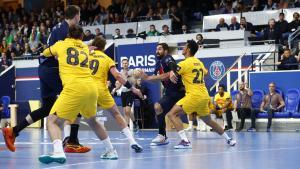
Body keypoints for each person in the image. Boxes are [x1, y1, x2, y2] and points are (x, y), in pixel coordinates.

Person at [2, 5, 89, 153]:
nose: (79, 19)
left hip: (44, 69)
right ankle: (72, 141)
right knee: (77, 99)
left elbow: (50, 52)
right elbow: (60, 55)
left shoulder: (58, 27)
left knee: (47, 108)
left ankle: (13, 131)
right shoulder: (66, 31)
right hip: (52, 70)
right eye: (79, 16)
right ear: (76, 16)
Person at [38, 25, 118, 164]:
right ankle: (111, 151)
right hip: (91, 88)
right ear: (82, 37)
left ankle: (58, 152)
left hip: (73, 88)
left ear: (68, 34)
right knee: (93, 121)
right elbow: (85, 48)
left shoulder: (61, 44)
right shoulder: (86, 48)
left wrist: (52, 54)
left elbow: (44, 53)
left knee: (52, 121)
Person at [166, 40, 236, 149]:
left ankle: (185, 141)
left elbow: (174, 69)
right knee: (208, 120)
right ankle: (229, 139)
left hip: (194, 95)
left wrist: (170, 65)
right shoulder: (199, 62)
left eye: (184, 47)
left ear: (188, 49)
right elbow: (206, 73)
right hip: (204, 95)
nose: (183, 48)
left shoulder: (184, 63)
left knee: (172, 114)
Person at [88, 36, 143, 153]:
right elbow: (118, 76)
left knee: (88, 119)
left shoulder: (85, 55)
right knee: (117, 114)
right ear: (103, 47)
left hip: (86, 89)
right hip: (101, 90)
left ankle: (67, 140)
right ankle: (132, 141)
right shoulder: (107, 58)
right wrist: (132, 88)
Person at [138, 43, 185, 146]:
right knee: (158, 107)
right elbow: (155, 78)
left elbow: (172, 67)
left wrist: (172, 70)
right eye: (156, 49)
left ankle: (184, 140)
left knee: (203, 116)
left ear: (166, 51)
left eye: (159, 49)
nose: (157, 51)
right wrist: (145, 76)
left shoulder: (167, 58)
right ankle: (162, 136)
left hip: (180, 92)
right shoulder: (158, 64)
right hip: (169, 92)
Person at [120, 59, 139, 131]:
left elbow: (134, 82)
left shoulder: (132, 71)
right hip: (123, 92)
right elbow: (120, 82)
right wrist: (115, 89)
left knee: (128, 111)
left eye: (126, 63)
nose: (125, 64)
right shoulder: (120, 72)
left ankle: (131, 125)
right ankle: (130, 125)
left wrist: (128, 76)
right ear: (122, 64)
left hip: (130, 92)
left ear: (128, 64)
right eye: (123, 63)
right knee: (125, 111)